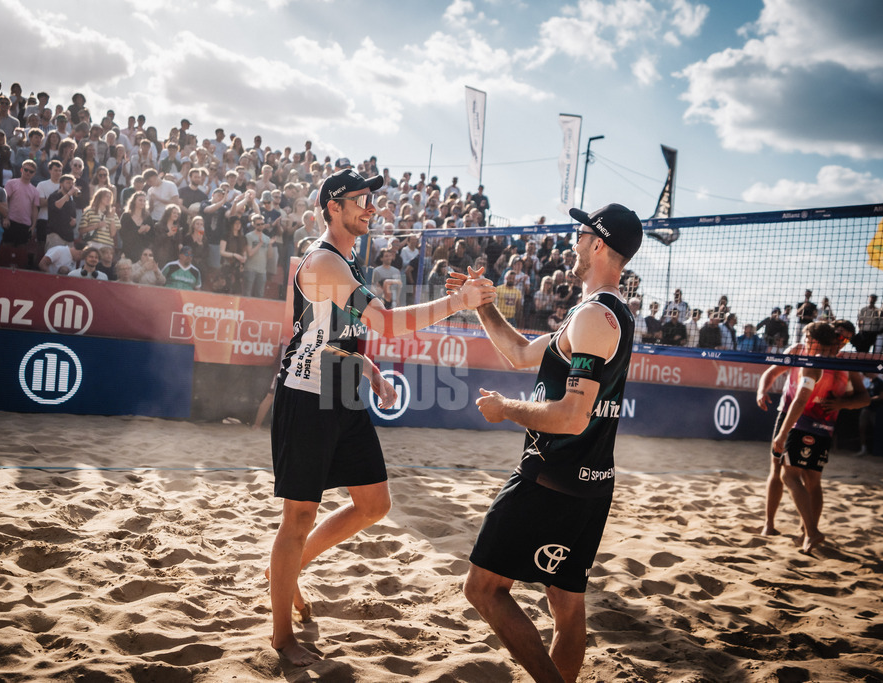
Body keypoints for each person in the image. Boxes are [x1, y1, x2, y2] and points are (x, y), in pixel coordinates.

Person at [267, 168, 495, 667]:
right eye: (360, 200)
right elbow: (387, 324)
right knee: (298, 516)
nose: (371, 208)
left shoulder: (347, 261)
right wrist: (458, 302)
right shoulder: (325, 261)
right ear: (333, 207)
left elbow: (332, 333)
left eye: (372, 200)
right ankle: (283, 636)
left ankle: (293, 569)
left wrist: (368, 370)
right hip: (307, 395)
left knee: (374, 504)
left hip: (341, 389)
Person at [455, 203, 642, 683]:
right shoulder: (599, 314)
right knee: (565, 600)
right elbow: (519, 353)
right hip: (591, 482)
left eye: (581, 234)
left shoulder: (595, 318)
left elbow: (572, 417)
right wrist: (483, 304)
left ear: (598, 244)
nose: (573, 242)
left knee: (483, 589)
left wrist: (506, 410)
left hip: (551, 479)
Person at [769, 322, 868, 553]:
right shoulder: (802, 352)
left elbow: (802, 399)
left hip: (807, 424)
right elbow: (774, 373)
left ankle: (811, 531)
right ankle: (804, 532)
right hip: (818, 426)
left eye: (846, 340)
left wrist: (843, 403)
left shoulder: (823, 362)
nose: (841, 342)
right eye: (839, 338)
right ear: (831, 336)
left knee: (791, 477)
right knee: (802, 479)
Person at [3, 160, 39, 246]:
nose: (28, 173)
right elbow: (4, 200)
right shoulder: (11, 183)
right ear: (21, 170)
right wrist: (5, 218)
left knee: (21, 253)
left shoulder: (35, 191)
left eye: (31, 171)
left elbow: (35, 209)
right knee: (6, 249)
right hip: (10, 222)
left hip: (25, 225)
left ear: (34, 174)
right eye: (26, 170)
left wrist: (33, 225)